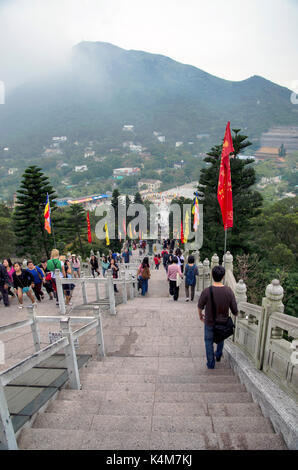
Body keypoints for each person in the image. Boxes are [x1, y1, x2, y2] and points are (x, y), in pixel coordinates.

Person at [198, 265, 238, 369]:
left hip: (209, 321)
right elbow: (235, 311)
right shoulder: (229, 291)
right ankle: (218, 355)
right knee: (221, 338)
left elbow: (200, 306)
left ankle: (211, 364)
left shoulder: (207, 291)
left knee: (208, 341)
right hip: (223, 322)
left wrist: (200, 316)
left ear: (212, 275)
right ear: (223, 276)